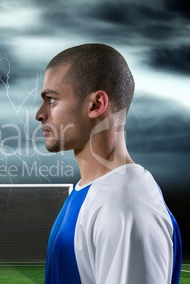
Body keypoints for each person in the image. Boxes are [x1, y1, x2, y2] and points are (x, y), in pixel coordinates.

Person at [36, 43, 182, 283]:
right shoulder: (93, 190)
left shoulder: (126, 206)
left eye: (51, 100)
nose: (40, 113)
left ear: (96, 105)